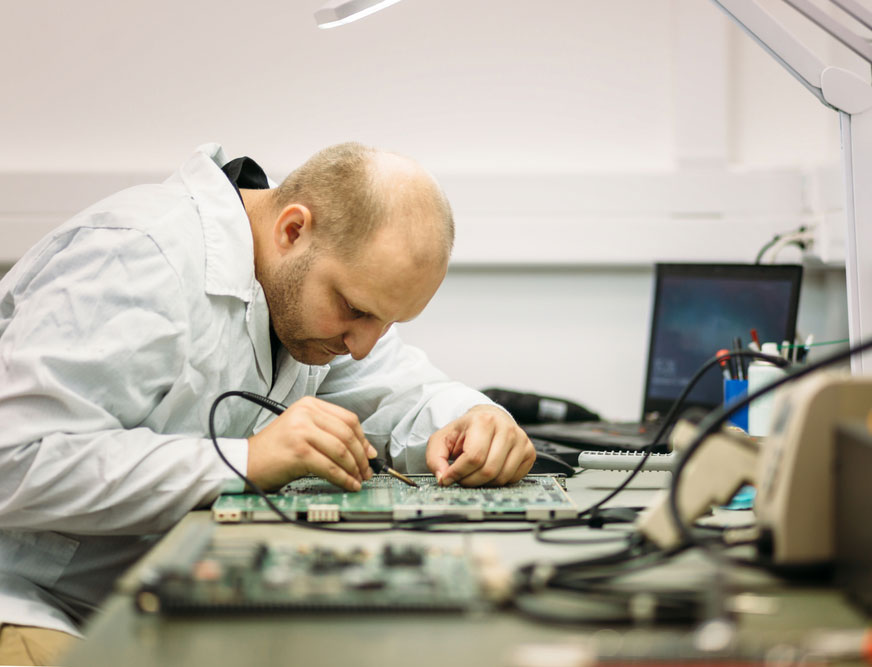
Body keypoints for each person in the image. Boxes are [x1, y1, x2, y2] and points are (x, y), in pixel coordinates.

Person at [0, 142, 535, 663]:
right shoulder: (135, 258)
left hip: (149, 596)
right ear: (293, 230)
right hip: (28, 602)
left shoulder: (300, 291)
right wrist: (246, 460)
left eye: (387, 321)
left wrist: (476, 419)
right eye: (354, 309)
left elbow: (405, 390)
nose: (363, 342)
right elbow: (14, 456)